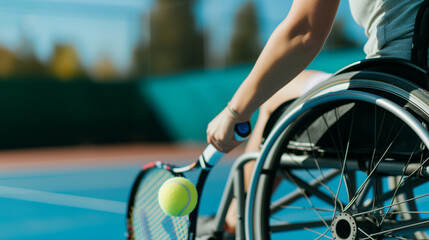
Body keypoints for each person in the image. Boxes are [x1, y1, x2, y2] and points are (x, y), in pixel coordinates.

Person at [204, 0, 426, 237]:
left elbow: (304, 32)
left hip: (397, 97)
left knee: (275, 100)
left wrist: (235, 111)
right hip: (416, 97)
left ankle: (232, 223)